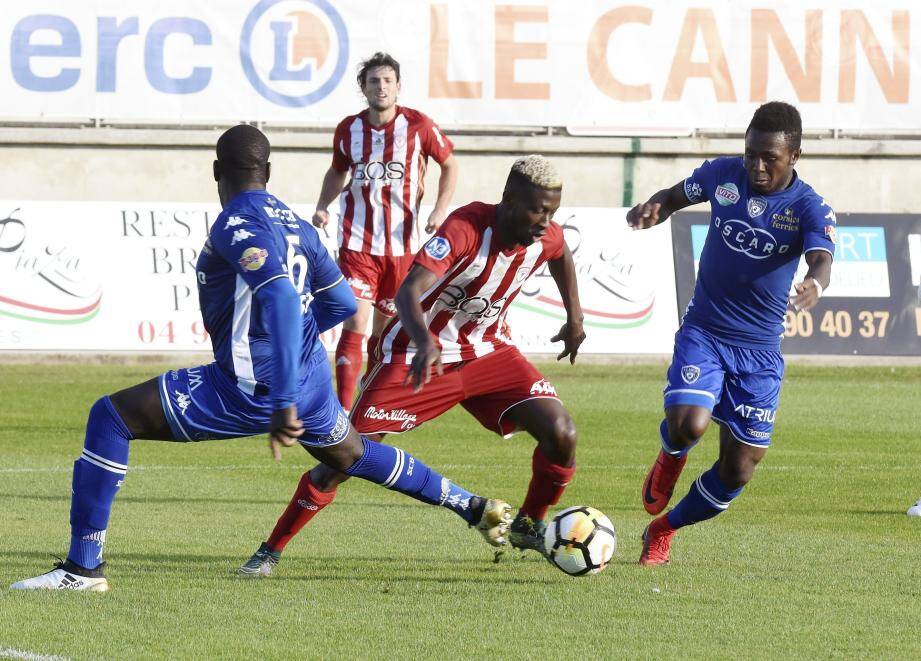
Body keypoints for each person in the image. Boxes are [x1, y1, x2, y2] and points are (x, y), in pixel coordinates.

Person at [10, 125, 510, 592]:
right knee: (350, 454)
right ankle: (470, 505)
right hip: (310, 378)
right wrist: (298, 366)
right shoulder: (296, 223)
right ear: (268, 173)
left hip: (255, 385)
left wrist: (283, 399)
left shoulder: (236, 222)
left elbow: (281, 300)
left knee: (111, 418)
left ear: (215, 171)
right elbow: (337, 303)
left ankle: (82, 569)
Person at [239, 155, 584, 576]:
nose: (545, 221)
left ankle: (528, 524)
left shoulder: (543, 235)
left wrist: (575, 319)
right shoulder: (467, 227)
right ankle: (270, 550)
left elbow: (561, 252)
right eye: (537, 209)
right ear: (509, 199)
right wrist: (424, 341)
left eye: (552, 211)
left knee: (562, 433)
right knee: (343, 458)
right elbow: (408, 291)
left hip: (489, 352)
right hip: (412, 356)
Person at [628, 101, 836, 565]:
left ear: (795, 155)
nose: (757, 167)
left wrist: (816, 283)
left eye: (770, 158)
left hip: (760, 352)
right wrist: (653, 209)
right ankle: (670, 456)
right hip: (705, 330)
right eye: (751, 154)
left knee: (738, 470)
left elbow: (822, 255)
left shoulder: (809, 206)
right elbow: (674, 195)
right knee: (688, 424)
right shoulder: (723, 175)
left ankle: (663, 529)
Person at [312, 51, 458, 411]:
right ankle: (343, 413)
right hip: (357, 243)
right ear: (364, 87)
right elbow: (337, 171)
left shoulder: (420, 126)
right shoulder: (349, 129)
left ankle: (367, 399)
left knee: (383, 332)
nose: (381, 87)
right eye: (374, 81)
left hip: (403, 247)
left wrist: (440, 209)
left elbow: (450, 165)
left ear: (398, 86)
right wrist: (322, 205)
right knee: (354, 320)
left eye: (387, 81)